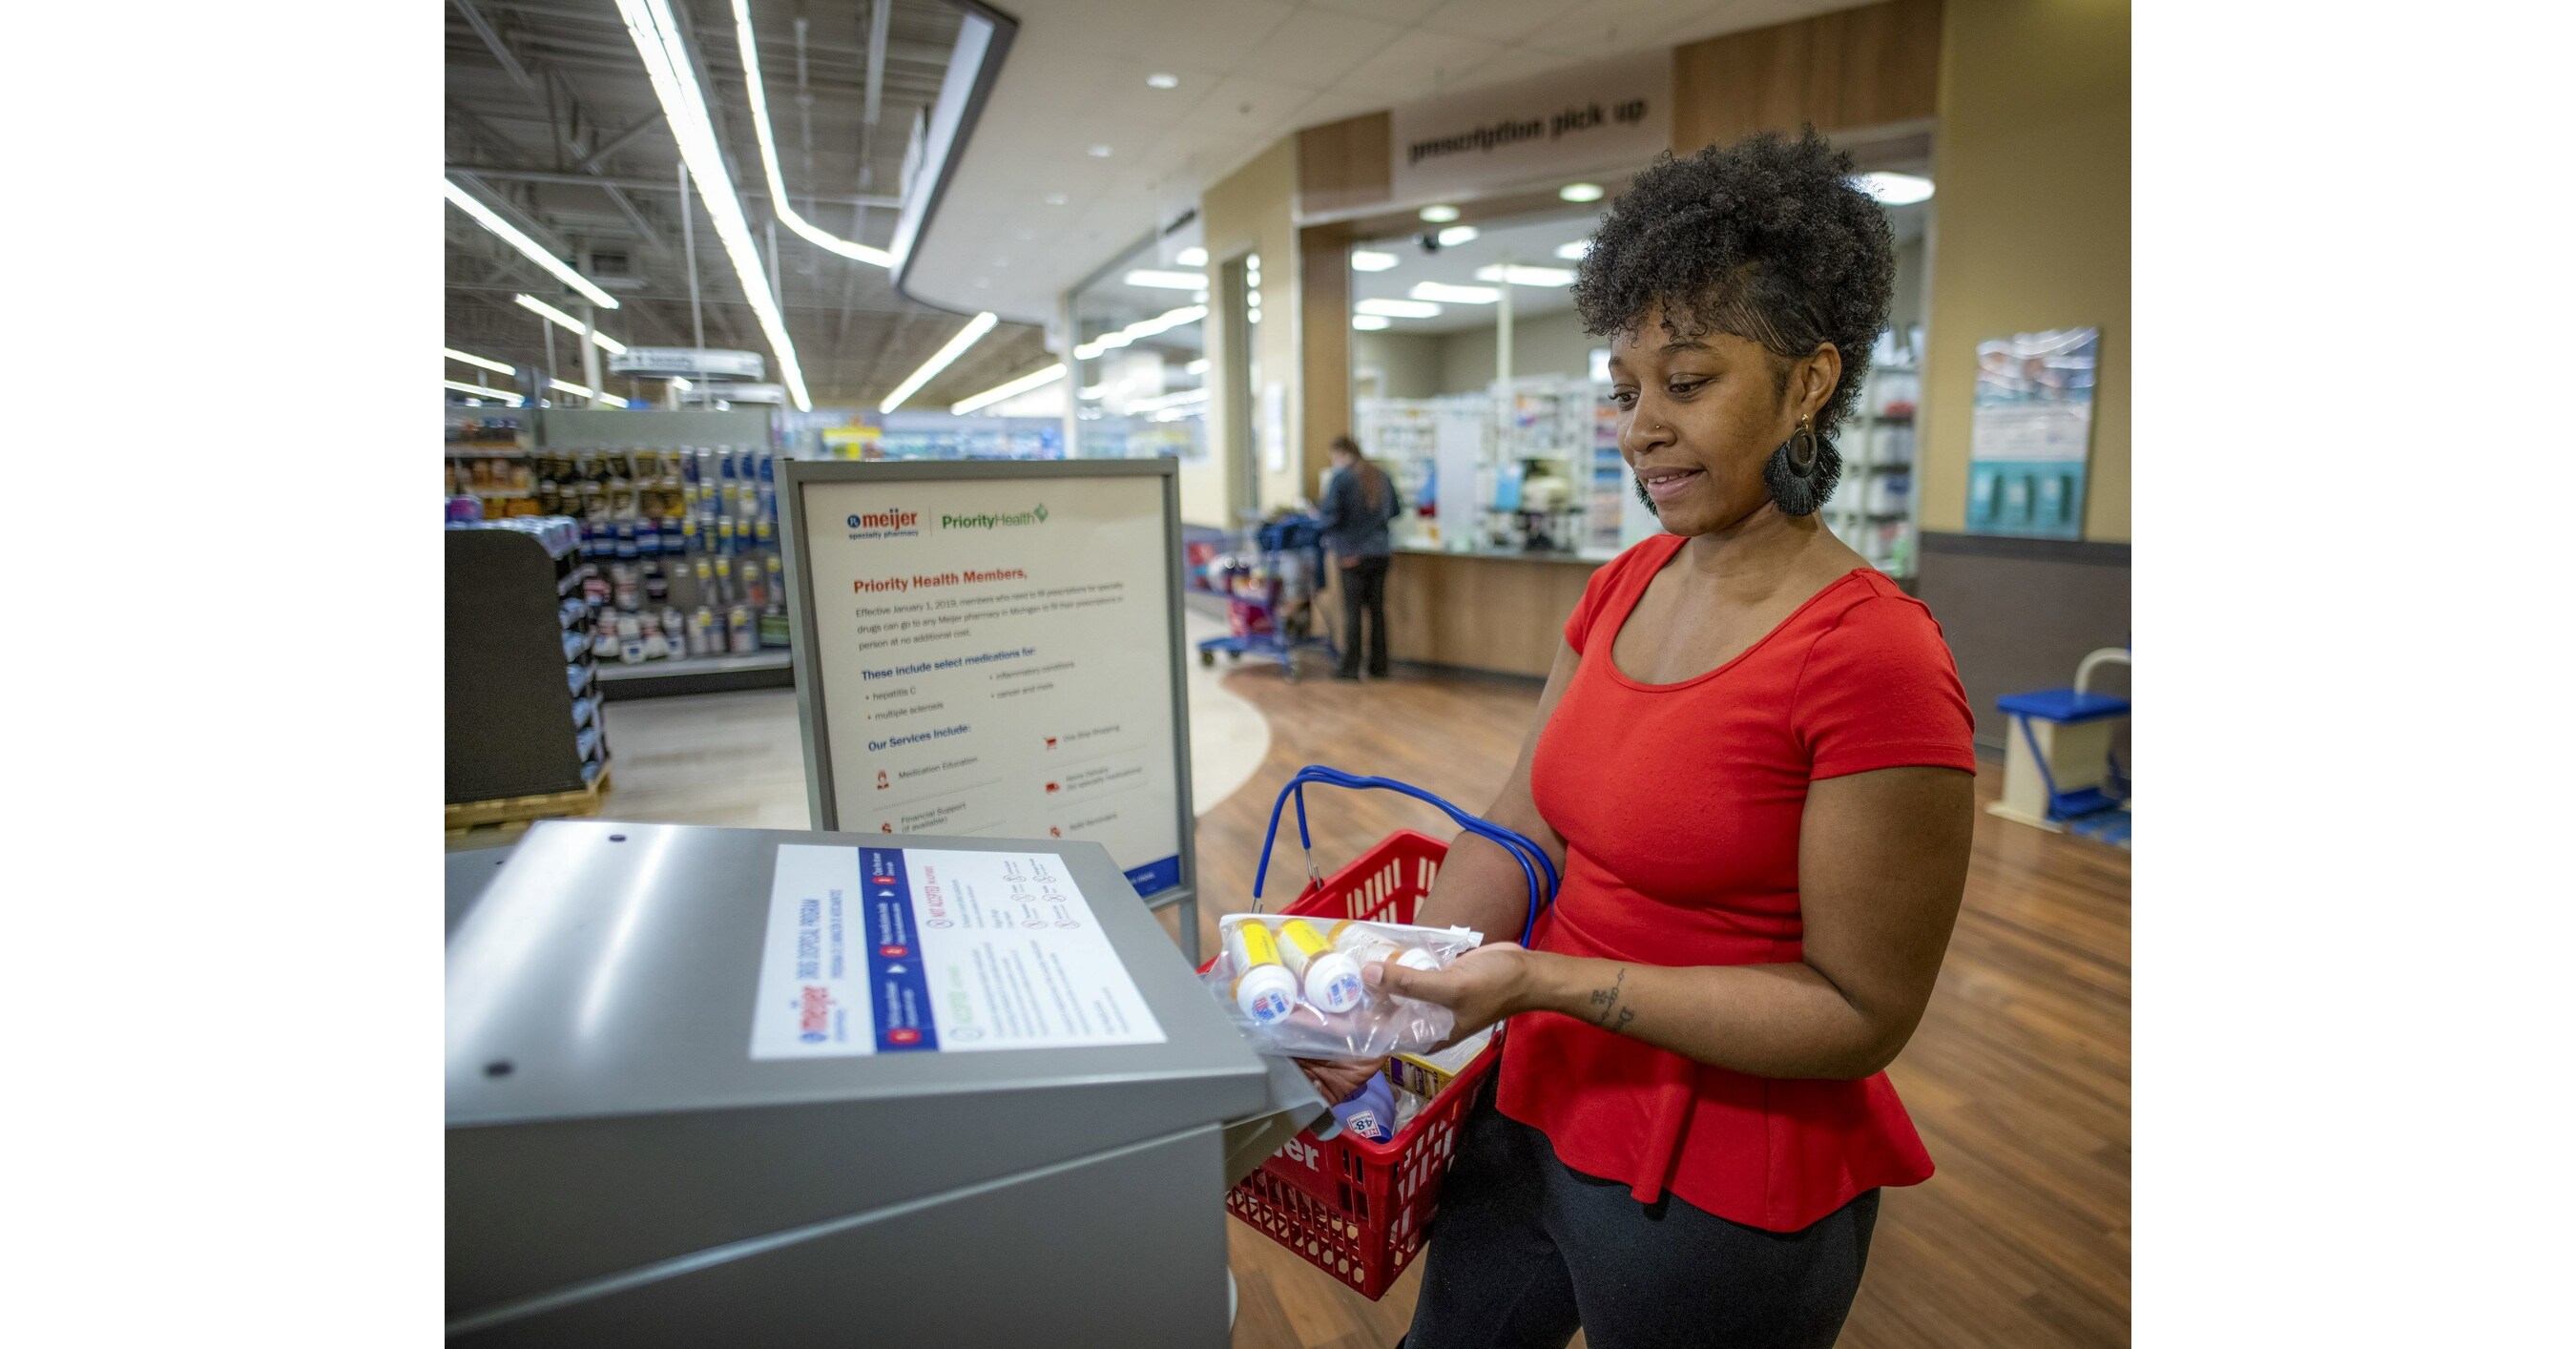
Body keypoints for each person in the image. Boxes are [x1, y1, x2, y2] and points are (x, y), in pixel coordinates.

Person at [1304, 131, 1978, 1348]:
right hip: (1536, 1104)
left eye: (1687, 381)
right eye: (1624, 387)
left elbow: (1860, 1010)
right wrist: (1401, 997)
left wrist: (1546, 981)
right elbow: (1520, 822)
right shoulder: (1621, 588)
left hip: (1722, 1192)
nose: (1638, 427)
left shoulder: (1876, 657)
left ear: (1810, 381)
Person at [1314, 433, 1402, 680]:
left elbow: (1330, 516)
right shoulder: (1381, 475)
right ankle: (1379, 665)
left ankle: (1350, 667)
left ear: (1341, 453)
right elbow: (1395, 510)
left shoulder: (1342, 479)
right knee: (1377, 610)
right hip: (1381, 552)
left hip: (1352, 554)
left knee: (1352, 612)